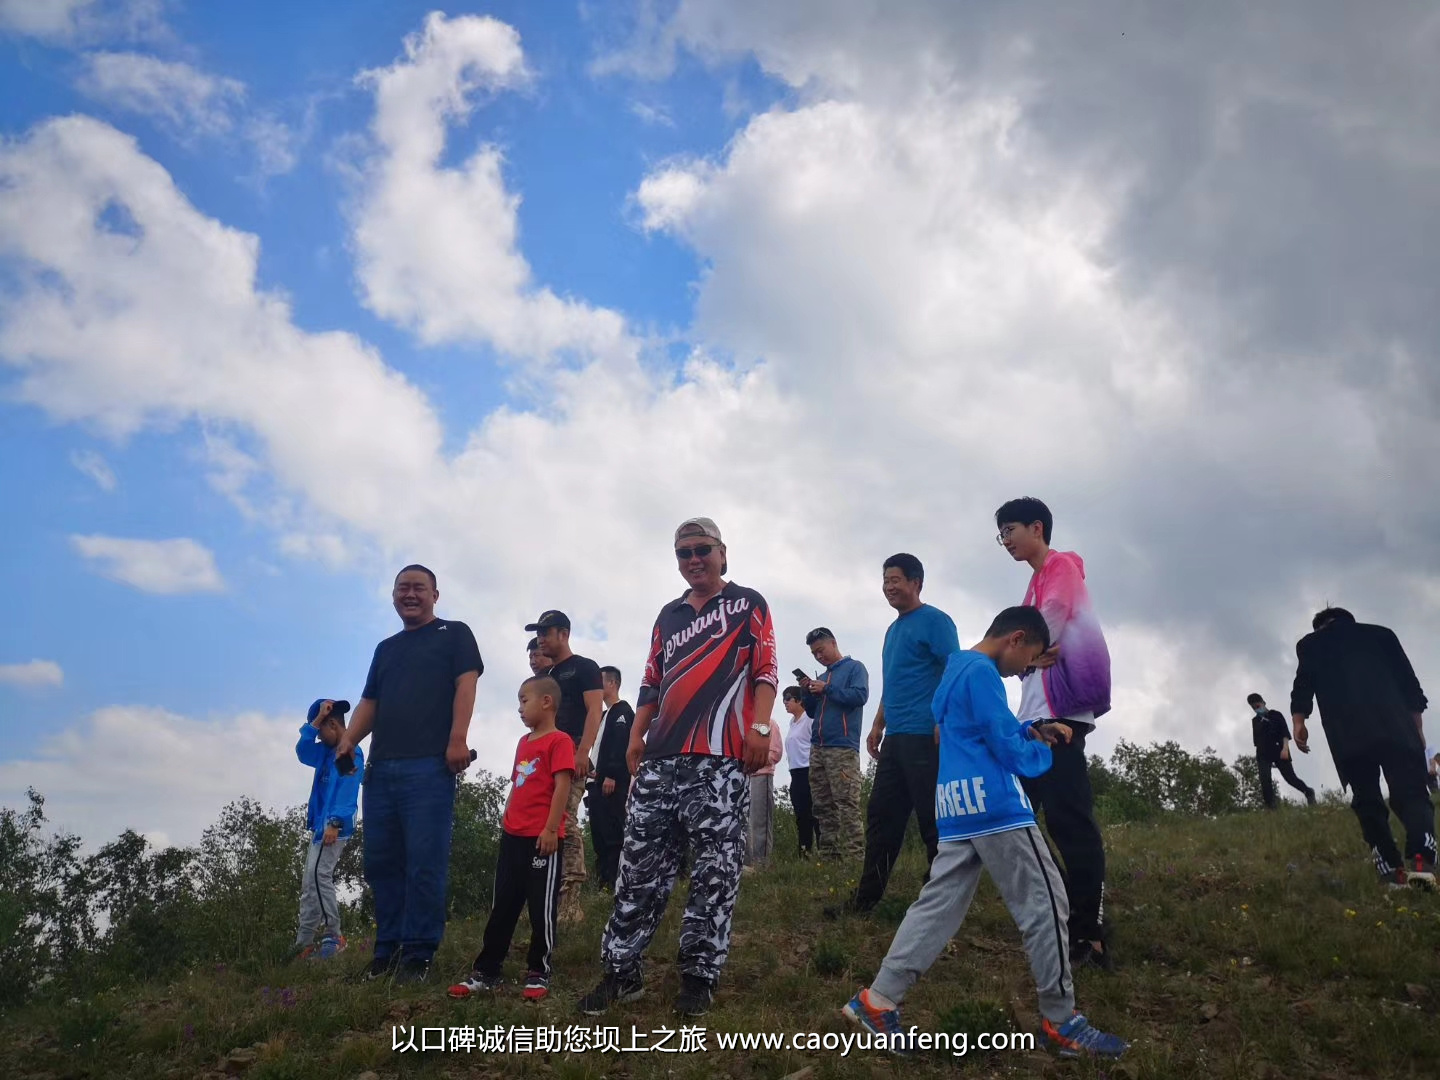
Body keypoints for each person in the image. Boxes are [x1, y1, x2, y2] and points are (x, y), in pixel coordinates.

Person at [842, 606, 1128, 1060]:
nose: (1025, 671)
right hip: (996, 808)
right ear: (1016, 638)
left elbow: (975, 727)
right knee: (1047, 901)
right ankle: (1062, 1021)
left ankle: (878, 1001)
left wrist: (1030, 726)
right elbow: (1000, 741)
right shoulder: (984, 674)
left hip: (955, 804)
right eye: (1030, 659)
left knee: (936, 905)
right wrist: (1040, 751)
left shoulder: (956, 667)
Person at [579, 517, 778, 1019]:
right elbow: (651, 680)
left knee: (715, 868)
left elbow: (765, 671)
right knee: (637, 869)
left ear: (722, 552)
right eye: (684, 553)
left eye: (701, 550)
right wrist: (636, 734)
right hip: (660, 758)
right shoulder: (667, 616)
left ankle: (698, 975)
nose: (693, 560)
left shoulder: (748, 603)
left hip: (720, 757)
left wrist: (758, 729)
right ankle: (621, 972)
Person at [334, 564, 483, 985]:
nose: (411, 594)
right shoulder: (386, 649)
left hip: (429, 766)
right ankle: (386, 953)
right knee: (381, 864)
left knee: (424, 862)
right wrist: (348, 739)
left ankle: (418, 955)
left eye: (419, 588)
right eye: (403, 588)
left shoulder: (455, 634)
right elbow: (369, 702)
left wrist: (457, 738)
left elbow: (466, 684)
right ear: (393, 596)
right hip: (381, 770)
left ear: (436, 594)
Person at [996, 497, 1113, 971]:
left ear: (1037, 527)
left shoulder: (1061, 565)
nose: (1005, 539)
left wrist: (1026, 649)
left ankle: (1091, 934)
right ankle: (1065, 916)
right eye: (1000, 532)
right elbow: (1022, 643)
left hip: (1062, 714)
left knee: (1069, 824)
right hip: (1033, 716)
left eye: (1010, 529)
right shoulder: (1032, 583)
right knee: (1018, 821)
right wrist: (1020, 656)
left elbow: (1053, 615)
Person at [835, 554, 957, 917]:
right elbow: (894, 683)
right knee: (881, 818)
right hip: (896, 739)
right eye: (886, 579)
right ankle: (865, 900)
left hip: (927, 737)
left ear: (917, 582)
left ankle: (938, 901)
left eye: (897, 579)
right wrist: (877, 724)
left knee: (932, 821)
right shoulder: (893, 630)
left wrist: (944, 718)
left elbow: (955, 669)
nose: (889, 586)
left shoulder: (935, 621)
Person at [448, 675, 574, 1002]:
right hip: (512, 837)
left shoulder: (560, 741)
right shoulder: (523, 742)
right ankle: (486, 970)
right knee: (502, 906)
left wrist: (550, 829)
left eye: (524, 700)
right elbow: (519, 784)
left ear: (546, 702)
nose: (519, 707)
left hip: (541, 839)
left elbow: (562, 786)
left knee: (540, 909)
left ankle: (538, 971)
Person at [1290, 605, 1434, 890]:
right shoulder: (1381, 635)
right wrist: (1417, 730)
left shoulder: (1310, 644)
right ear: (1350, 619)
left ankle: (1392, 873)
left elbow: (1302, 684)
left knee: (1367, 800)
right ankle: (1423, 862)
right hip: (1395, 726)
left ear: (1319, 626)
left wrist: (1298, 722)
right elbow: (1410, 685)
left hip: (1348, 735)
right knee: (1411, 793)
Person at [526, 610, 604, 923]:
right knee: (540, 819)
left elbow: (594, 709)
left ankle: (571, 901)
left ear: (564, 634)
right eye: (538, 633)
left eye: (546, 632)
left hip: (571, 751)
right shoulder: (548, 678)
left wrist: (583, 751)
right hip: (543, 755)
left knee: (565, 819)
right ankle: (544, 894)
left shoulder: (584, 667)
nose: (541, 639)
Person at [292, 698, 362, 961]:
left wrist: (335, 822)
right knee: (310, 882)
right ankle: (305, 942)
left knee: (320, 876)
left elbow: (348, 789)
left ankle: (335, 935)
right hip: (321, 827)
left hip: (335, 827)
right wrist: (316, 721)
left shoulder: (349, 751)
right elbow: (302, 750)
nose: (318, 737)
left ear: (333, 724)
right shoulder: (324, 753)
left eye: (321, 731)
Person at [801, 628, 869, 862]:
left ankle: (855, 856)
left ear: (833, 643)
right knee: (822, 804)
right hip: (817, 746)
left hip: (842, 746)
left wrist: (827, 689)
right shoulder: (820, 678)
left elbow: (860, 697)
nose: (819, 656)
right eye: (814, 654)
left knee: (846, 802)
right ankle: (829, 856)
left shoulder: (855, 668)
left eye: (821, 650)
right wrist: (808, 693)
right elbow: (812, 712)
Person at [588, 666, 634, 890]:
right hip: (596, 782)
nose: (597, 686)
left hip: (611, 783)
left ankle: (616, 882)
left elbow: (621, 744)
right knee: (598, 833)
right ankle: (603, 883)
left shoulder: (623, 711)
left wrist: (612, 775)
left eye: (600, 681)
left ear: (612, 684)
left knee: (613, 834)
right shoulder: (603, 715)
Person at [1246, 693, 1316, 808]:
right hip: (1263, 754)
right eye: (1254, 708)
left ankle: (1308, 791)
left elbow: (1284, 733)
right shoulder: (1255, 721)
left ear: (1263, 703)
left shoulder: (1276, 715)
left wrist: (1285, 749)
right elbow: (1257, 741)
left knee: (1290, 778)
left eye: (1258, 706)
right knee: (1265, 779)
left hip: (1280, 749)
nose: (1256, 709)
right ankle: (1270, 807)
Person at [783, 687, 820, 857]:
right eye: (784, 699)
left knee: (816, 814)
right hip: (795, 772)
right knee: (801, 815)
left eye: (789, 698)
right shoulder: (792, 723)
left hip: (809, 770)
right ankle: (804, 852)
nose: (785, 702)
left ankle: (823, 851)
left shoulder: (809, 719)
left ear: (799, 700)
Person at [743, 715, 784, 872]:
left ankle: (762, 864)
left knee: (761, 821)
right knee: (746, 821)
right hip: (743, 776)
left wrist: (756, 759)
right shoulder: (744, 721)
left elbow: (776, 753)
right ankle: (746, 863)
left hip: (761, 774)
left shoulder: (770, 723)